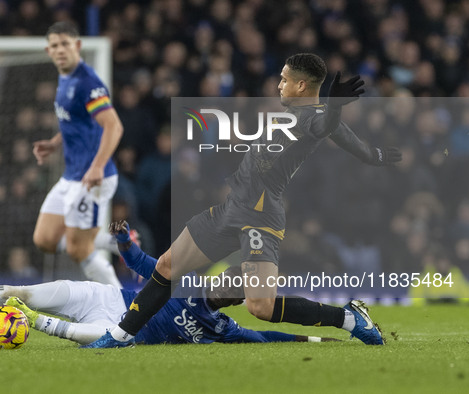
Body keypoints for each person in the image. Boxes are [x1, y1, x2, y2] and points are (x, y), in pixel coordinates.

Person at [85, 53, 401, 348]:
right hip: (232, 208)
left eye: (284, 79)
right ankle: (121, 334)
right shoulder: (299, 114)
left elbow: (328, 124)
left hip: (260, 216)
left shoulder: (313, 118)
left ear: (301, 85)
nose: (279, 84)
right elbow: (342, 133)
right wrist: (374, 155)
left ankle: (347, 317)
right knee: (168, 265)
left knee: (259, 306)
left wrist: (333, 106)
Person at [0, 221, 339, 345]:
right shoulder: (180, 281)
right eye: (233, 280)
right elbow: (141, 262)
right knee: (15, 291)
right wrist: (126, 242)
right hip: (105, 297)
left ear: (238, 300)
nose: (231, 288)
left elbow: (264, 335)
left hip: (117, 328)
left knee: (110, 338)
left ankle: (34, 323)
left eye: (238, 291)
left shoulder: (223, 330)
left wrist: (309, 340)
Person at [31, 21, 123, 287]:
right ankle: (111, 240)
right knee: (44, 240)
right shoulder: (65, 78)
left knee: (77, 250)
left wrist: (96, 166)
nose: (60, 50)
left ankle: (124, 307)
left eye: (65, 44)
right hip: (71, 176)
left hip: (94, 177)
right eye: (55, 45)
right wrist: (56, 142)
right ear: (49, 51)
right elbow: (79, 121)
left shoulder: (87, 82)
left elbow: (114, 126)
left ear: (78, 46)